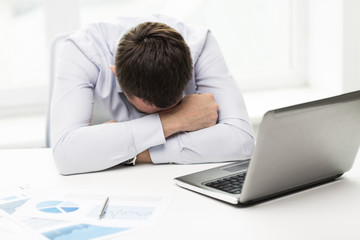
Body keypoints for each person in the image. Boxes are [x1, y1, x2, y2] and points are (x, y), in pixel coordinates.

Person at [50, 14, 255, 175]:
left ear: (190, 71)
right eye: (151, 109)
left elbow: (242, 141)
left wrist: (132, 153)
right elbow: (65, 154)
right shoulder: (82, 51)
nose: (164, 113)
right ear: (117, 76)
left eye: (174, 107)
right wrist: (176, 120)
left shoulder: (199, 45)